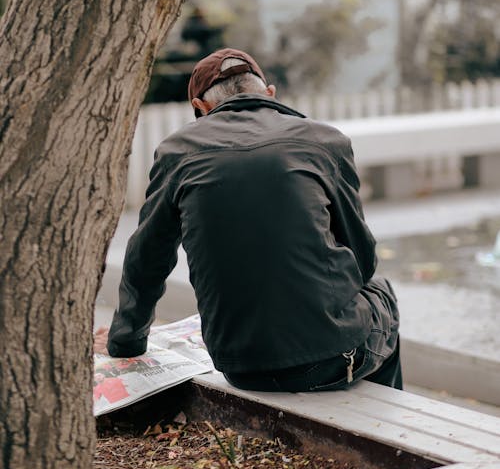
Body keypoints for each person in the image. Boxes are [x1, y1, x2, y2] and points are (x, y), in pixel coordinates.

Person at [99, 47, 402, 392]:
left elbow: (147, 259)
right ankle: (386, 424)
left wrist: (126, 344)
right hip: (330, 358)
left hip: (238, 365)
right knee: (382, 293)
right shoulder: (324, 140)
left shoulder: (177, 152)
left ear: (201, 108)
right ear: (269, 94)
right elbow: (362, 258)